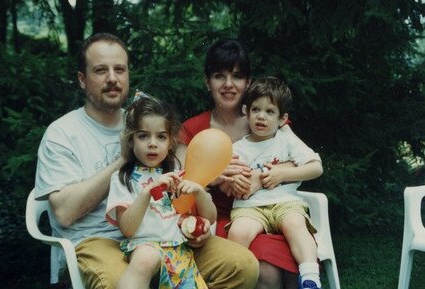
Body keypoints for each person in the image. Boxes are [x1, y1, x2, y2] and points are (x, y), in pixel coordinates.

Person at [34, 32, 258, 289]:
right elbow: (63, 213)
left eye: (119, 69)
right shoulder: (63, 133)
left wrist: (195, 223)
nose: (112, 79)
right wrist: (124, 159)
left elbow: (182, 183)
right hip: (99, 240)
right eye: (100, 70)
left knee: (242, 266)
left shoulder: (149, 121)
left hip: (166, 234)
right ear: (82, 80)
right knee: (120, 283)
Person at [178, 38, 300, 289]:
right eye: (219, 76)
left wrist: (260, 178)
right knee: (251, 270)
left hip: (262, 214)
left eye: (237, 76)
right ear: (207, 81)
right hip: (213, 220)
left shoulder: (267, 121)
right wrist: (214, 177)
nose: (229, 85)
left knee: (270, 273)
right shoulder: (191, 129)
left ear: (249, 83)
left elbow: (300, 163)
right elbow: (179, 185)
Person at [106, 95, 215, 289]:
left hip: (178, 252)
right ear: (131, 140)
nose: (152, 143)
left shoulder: (177, 175)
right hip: (143, 247)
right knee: (147, 257)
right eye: (143, 136)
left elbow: (210, 218)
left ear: (170, 142)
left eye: (161, 137)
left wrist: (199, 192)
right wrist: (148, 190)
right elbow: (127, 229)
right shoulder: (123, 178)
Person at [224, 76, 323, 289]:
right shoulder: (237, 148)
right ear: (245, 112)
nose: (261, 116)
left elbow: (316, 167)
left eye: (270, 112)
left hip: (286, 203)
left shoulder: (287, 141)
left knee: (295, 225)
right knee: (238, 232)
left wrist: (281, 174)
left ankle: (310, 277)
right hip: (250, 208)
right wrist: (235, 181)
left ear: (282, 119)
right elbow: (227, 180)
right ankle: (234, 279)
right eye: (256, 110)